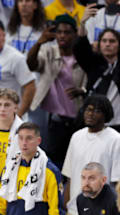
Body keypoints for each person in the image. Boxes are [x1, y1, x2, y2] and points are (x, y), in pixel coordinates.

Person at [26, 14, 86, 169]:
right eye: (59, 32)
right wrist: (39, 42)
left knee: (75, 163)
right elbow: (31, 64)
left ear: (75, 34)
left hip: (77, 118)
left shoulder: (82, 53)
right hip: (54, 119)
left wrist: (82, 90)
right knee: (52, 162)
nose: (62, 36)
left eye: (67, 32)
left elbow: (91, 80)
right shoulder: (49, 51)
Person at [0, 18, 36, 117]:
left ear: (4, 35)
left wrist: (19, 115)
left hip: (10, 115)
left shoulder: (15, 57)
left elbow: (30, 86)